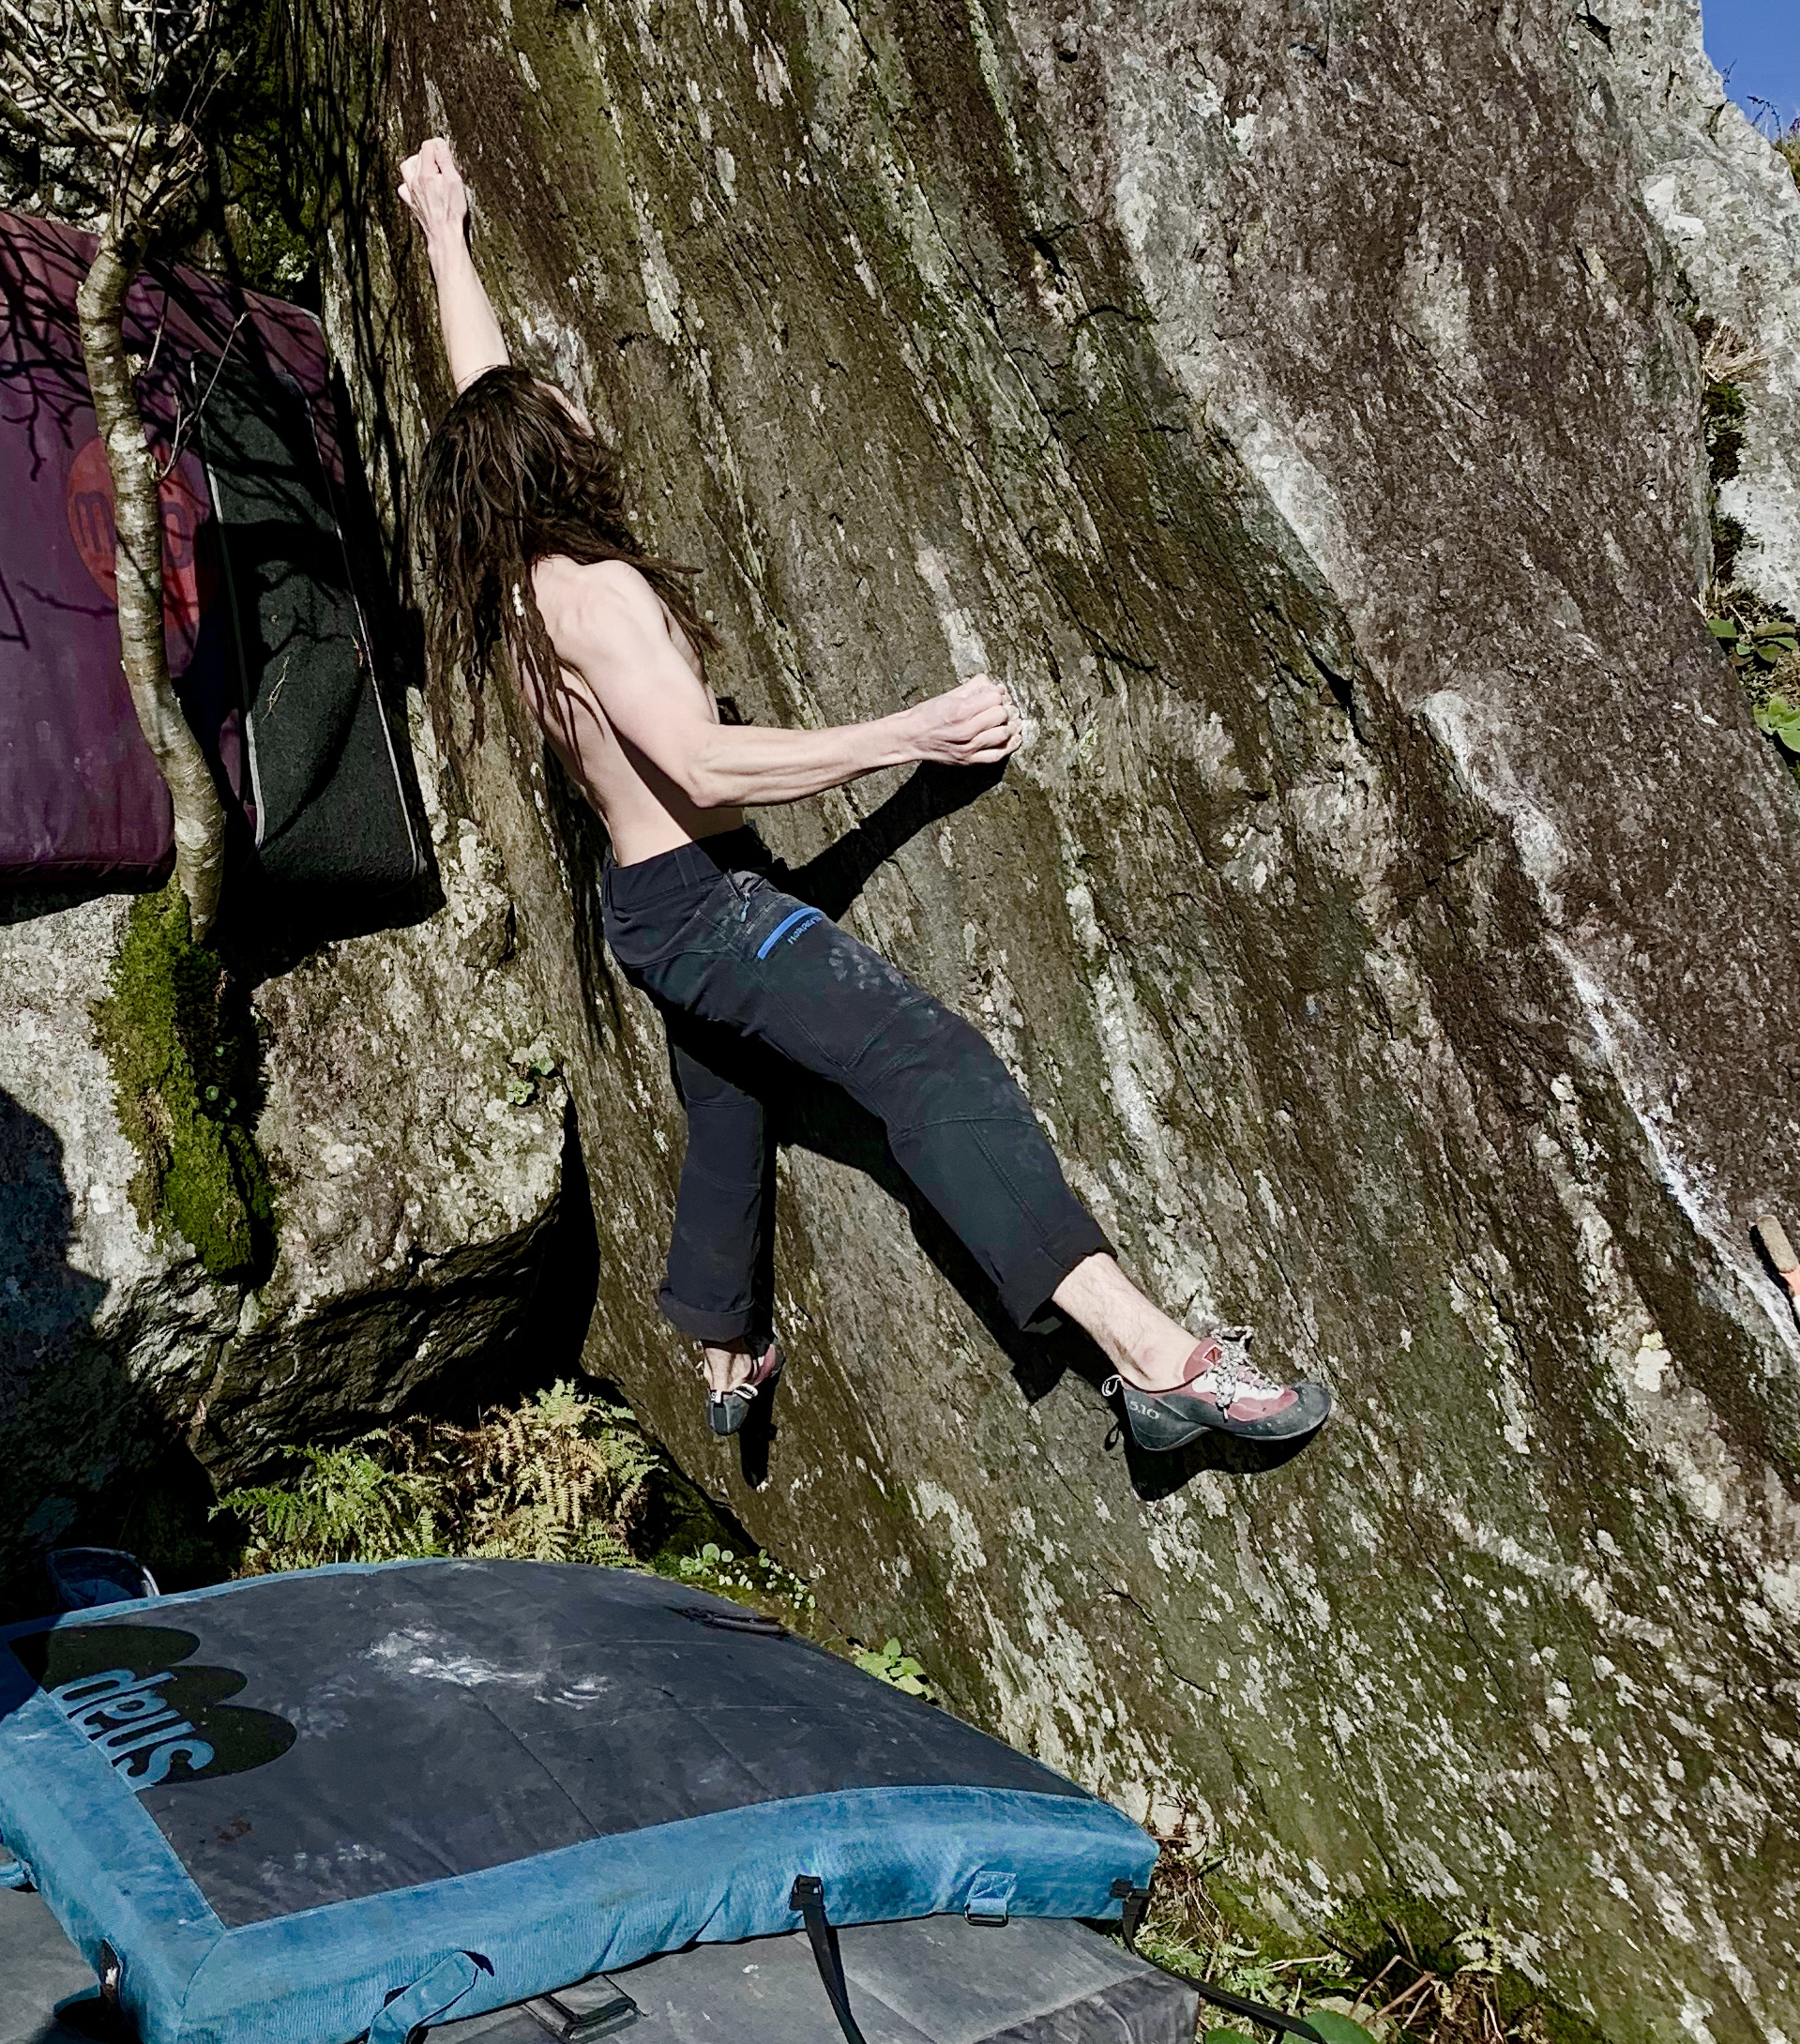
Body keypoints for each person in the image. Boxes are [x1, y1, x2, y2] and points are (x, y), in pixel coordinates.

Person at [399, 134, 1330, 1457]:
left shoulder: (517, 590)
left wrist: (447, 228)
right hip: (707, 904)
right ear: (548, 450)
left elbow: (478, 391)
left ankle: (722, 1329)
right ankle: (1153, 1359)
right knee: (928, 1061)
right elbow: (708, 767)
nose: (575, 401)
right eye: (559, 401)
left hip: (654, 905)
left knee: (728, 1089)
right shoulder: (598, 595)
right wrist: (914, 735)